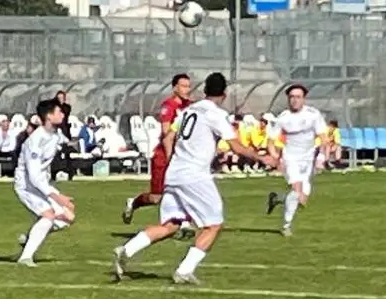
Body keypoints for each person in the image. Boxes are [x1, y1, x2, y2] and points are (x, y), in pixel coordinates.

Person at [113, 72, 273, 285]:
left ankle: (126, 249)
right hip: (195, 176)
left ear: (204, 90)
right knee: (213, 225)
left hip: (175, 173)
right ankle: (185, 270)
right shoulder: (216, 114)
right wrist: (261, 157)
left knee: (170, 225)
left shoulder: (189, 110)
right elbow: (235, 146)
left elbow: (168, 137)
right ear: (224, 94)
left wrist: (173, 159)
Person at [122, 73, 193, 223]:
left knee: (185, 190)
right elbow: (166, 131)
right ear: (175, 88)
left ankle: (184, 223)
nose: (187, 89)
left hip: (181, 155)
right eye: (184, 86)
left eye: (188, 86)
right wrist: (170, 155)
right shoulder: (168, 106)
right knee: (156, 197)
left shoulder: (190, 107)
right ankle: (133, 202)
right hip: (164, 155)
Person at [14, 99, 76, 266]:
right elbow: (33, 177)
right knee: (48, 216)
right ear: (49, 116)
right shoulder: (35, 141)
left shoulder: (55, 134)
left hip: (42, 184)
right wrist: (57, 196)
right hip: (27, 185)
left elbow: (64, 142)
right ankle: (25, 258)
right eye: (59, 112)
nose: (62, 115)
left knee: (68, 217)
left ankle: (31, 237)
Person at [265, 84, 327, 236]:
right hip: (290, 158)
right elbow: (271, 141)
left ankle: (278, 198)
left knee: (301, 200)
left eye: (298, 97)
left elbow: (324, 139)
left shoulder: (313, 115)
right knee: (297, 190)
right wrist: (275, 158)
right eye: (291, 97)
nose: (294, 100)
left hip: (308, 159)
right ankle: (286, 226)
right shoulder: (283, 117)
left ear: (303, 99)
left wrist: (321, 157)